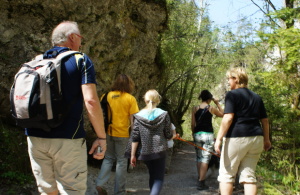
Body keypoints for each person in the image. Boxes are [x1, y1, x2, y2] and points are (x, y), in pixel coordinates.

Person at [26, 21, 107, 195]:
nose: (81, 42)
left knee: (47, 191)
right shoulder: (80, 59)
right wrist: (101, 136)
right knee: (72, 191)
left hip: (34, 138)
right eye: (80, 37)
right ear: (72, 37)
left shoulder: (36, 62)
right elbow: (91, 101)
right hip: (68, 139)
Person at [214, 67, 272, 195]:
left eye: (229, 79)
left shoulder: (232, 95)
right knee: (249, 176)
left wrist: (218, 139)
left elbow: (228, 117)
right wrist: (267, 140)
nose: (228, 82)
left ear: (236, 79)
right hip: (257, 138)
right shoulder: (257, 97)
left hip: (237, 137)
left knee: (226, 175)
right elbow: (265, 121)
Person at [96, 74, 139, 195]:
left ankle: (99, 185)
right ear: (128, 84)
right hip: (123, 134)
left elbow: (100, 114)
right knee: (121, 161)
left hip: (108, 132)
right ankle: (119, 191)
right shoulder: (130, 99)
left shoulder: (106, 96)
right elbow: (133, 120)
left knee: (108, 158)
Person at [125, 89, 174, 195]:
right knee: (158, 178)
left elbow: (135, 137)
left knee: (153, 175)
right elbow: (168, 134)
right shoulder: (164, 114)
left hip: (145, 152)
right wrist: (173, 136)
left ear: (145, 100)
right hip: (159, 151)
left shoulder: (138, 116)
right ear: (158, 100)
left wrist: (132, 155)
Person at [191, 89, 224, 190]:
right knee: (205, 158)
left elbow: (193, 124)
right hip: (208, 135)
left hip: (197, 134)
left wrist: (194, 133)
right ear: (209, 98)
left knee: (199, 157)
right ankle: (201, 182)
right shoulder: (211, 108)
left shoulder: (195, 108)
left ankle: (200, 177)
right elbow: (223, 114)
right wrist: (217, 103)